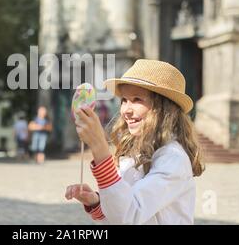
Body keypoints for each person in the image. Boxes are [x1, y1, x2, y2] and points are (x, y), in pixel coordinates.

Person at [65, 59, 205, 225]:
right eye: (124, 100)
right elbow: (119, 215)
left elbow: (130, 214)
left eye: (137, 99)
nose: (126, 110)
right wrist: (96, 203)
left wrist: (100, 149)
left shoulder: (173, 158)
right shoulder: (134, 153)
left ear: (164, 109)